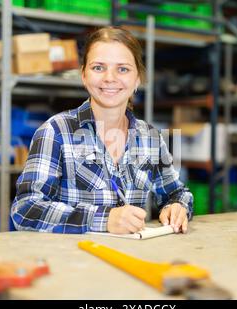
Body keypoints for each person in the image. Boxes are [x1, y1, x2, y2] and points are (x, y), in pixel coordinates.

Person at [11, 26, 193, 234]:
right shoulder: (55, 132)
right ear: (84, 76)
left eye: (122, 69)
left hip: (131, 261)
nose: (110, 78)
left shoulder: (150, 138)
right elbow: (25, 210)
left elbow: (177, 193)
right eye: (98, 68)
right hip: (72, 261)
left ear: (137, 79)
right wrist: (103, 219)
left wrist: (177, 207)